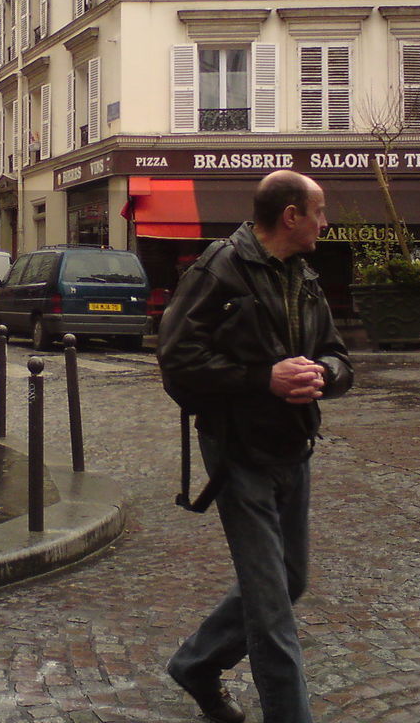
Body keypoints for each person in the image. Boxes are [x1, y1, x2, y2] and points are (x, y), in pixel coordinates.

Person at [158, 170, 353, 723]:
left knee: (291, 581)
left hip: (294, 445)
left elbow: (338, 354)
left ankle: (196, 663)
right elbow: (177, 361)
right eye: (318, 211)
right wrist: (261, 378)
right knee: (270, 609)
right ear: (290, 215)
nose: (325, 221)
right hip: (237, 451)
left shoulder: (304, 277)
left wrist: (326, 373)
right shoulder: (219, 269)